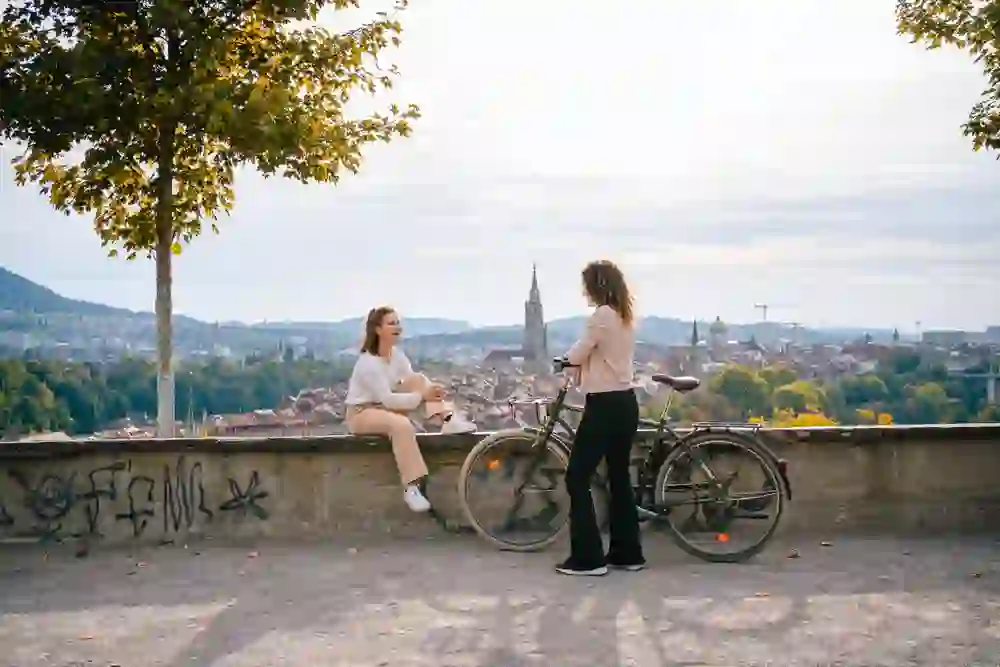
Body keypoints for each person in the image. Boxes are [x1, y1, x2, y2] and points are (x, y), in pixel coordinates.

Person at [556, 260, 643, 576]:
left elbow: (580, 351)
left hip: (604, 405)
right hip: (626, 402)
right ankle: (627, 553)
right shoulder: (624, 316)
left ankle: (588, 558)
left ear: (595, 285)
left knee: (576, 476)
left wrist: (563, 362)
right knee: (618, 478)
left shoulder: (602, 315)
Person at [345, 306, 477, 512]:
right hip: (361, 413)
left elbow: (412, 383)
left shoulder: (396, 355)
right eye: (391, 323)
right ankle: (411, 488)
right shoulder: (368, 363)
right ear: (377, 330)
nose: (397, 327)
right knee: (400, 425)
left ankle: (448, 419)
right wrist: (422, 396)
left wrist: (429, 392)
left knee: (419, 379)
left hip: (384, 407)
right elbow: (388, 400)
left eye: (398, 322)